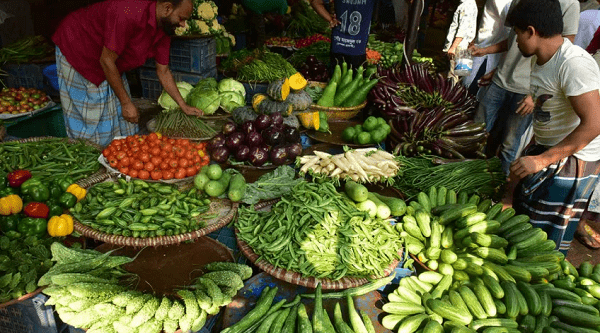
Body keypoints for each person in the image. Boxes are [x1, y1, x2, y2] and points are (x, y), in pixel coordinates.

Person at [502, 0, 600, 255]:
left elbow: (595, 123)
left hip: (574, 159)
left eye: (517, 34)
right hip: (548, 149)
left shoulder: (573, 64)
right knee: (523, 226)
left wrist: (543, 160)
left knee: (543, 242)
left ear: (531, 31)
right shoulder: (541, 58)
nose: (516, 41)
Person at [52, 0, 202, 147]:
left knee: (122, 119)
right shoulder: (128, 11)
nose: (183, 24)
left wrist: (183, 105)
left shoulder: (164, 27)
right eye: (182, 18)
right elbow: (106, 61)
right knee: (91, 117)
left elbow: (163, 71)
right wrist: (126, 103)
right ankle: (91, 158)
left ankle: (115, 156)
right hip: (80, 47)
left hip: (110, 59)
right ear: (167, 8)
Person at [469, 0, 579, 175]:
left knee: (510, 143)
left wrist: (534, 94)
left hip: (528, 89)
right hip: (501, 79)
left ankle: (500, 187)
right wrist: (488, 55)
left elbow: (560, 49)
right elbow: (515, 38)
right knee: (476, 130)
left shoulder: (569, 4)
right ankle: (466, 173)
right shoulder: (518, 3)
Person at [462, 0, 512, 95]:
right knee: (466, 89)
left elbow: (510, 32)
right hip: (482, 48)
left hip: (489, 53)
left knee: (471, 91)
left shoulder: (506, 3)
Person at [310, 0, 376, 69]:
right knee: (356, 77)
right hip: (358, 48)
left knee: (336, 77)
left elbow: (315, 3)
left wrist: (330, 19)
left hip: (338, 44)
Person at [443, 0, 478, 82]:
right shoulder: (471, 3)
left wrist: (453, 47)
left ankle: (451, 94)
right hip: (465, 45)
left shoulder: (466, 5)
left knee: (453, 76)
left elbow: (463, 29)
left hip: (460, 46)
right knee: (461, 76)